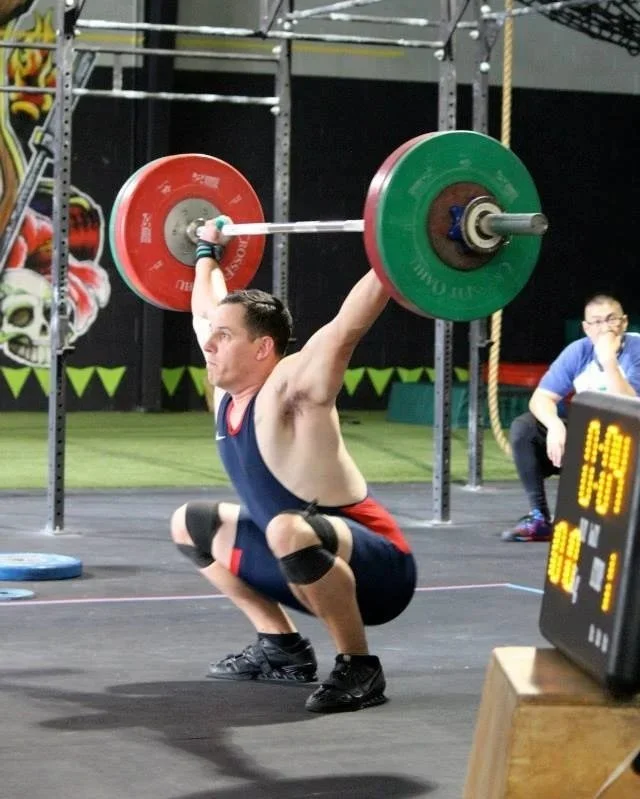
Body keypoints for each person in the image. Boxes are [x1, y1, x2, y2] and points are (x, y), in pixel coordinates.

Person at [170, 216, 417, 713]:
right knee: (191, 523)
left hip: (380, 568)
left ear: (263, 348)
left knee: (287, 529)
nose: (209, 344)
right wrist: (205, 250)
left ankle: (359, 667)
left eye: (224, 337)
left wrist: (398, 250)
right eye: (212, 336)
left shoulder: (291, 388)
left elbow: (345, 329)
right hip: (299, 550)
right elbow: (206, 305)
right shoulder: (226, 387)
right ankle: (281, 648)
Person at [502, 293, 640, 542]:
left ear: (624, 323)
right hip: (592, 437)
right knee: (525, 427)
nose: (604, 328)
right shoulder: (578, 352)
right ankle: (539, 518)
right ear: (586, 328)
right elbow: (540, 398)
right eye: (596, 322)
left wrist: (609, 360)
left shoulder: (636, 350)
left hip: (630, 442)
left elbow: (631, 407)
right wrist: (555, 426)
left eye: (611, 320)